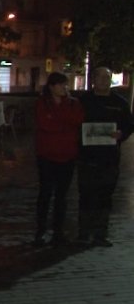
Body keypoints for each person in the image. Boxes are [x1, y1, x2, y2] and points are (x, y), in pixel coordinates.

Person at [76, 67, 133, 247]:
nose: (104, 80)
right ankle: (84, 233)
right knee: (86, 195)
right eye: (100, 77)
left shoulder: (120, 103)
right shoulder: (83, 101)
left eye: (107, 77)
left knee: (105, 196)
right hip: (86, 157)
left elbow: (129, 125)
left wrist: (121, 134)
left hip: (109, 158)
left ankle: (101, 234)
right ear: (93, 80)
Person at [33, 72, 83, 247]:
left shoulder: (73, 103)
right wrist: (64, 124)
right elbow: (45, 124)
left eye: (66, 85)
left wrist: (58, 121)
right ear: (52, 86)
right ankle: (40, 231)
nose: (65, 88)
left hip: (67, 155)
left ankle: (58, 231)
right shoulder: (42, 103)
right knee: (45, 194)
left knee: (62, 196)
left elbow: (77, 121)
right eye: (61, 85)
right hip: (47, 155)